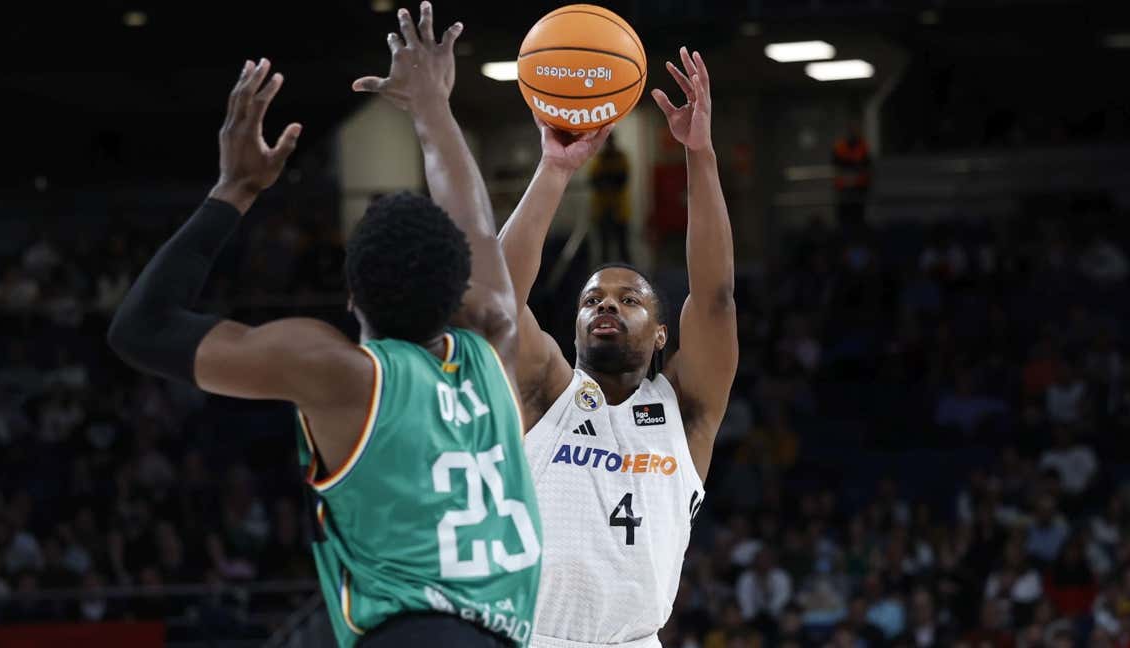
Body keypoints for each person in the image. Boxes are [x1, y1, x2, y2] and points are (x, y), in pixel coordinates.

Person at [108, 4, 541, 646]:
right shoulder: (494, 335)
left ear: (350, 295)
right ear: (461, 289)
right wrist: (432, 108)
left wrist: (234, 189)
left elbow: (140, 329)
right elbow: (474, 220)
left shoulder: (343, 375)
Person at [499, 46, 737, 647]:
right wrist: (553, 169)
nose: (605, 304)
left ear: (662, 334)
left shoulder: (686, 414)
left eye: (629, 299)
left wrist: (699, 155)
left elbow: (714, 299)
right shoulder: (545, 391)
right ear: (574, 326)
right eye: (590, 300)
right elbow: (496, 297)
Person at [589, 132, 631, 262]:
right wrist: (609, 180)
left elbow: (622, 180)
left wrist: (606, 181)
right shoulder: (599, 160)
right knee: (604, 250)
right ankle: (604, 277)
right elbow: (593, 181)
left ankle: (627, 277)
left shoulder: (621, 158)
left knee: (623, 248)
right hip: (602, 211)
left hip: (619, 210)